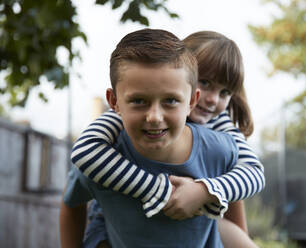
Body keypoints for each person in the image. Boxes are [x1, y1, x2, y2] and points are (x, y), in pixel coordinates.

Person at [70, 31, 264, 247]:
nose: (212, 99)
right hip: (111, 221)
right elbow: (84, 151)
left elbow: (253, 174)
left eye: (225, 91)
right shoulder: (129, 115)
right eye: (206, 82)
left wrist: (204, 191)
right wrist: (158, 190)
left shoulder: (219, 127)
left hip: (197, 216)